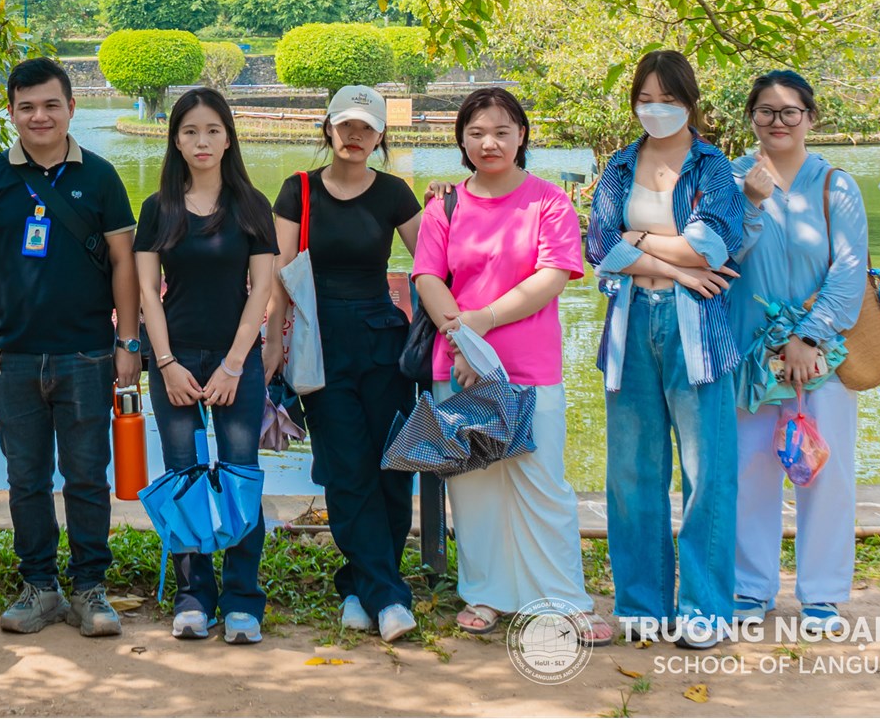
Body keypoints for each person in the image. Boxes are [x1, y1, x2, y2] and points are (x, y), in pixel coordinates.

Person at [411, 87, 612, 645]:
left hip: (528, 366)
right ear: (461, 141)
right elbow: (427, 276)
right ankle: (486, 593)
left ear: (522, 135)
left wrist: (483, 322)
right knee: (474, 486)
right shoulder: (444, 206)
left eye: (501, 130)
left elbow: (553, 275)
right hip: (458, 364)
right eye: (476, 132)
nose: (489, 142)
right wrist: (462, 340)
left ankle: (565, 599)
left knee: (541, 484)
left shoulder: (549, 201)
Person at [0, 57, 142, 637]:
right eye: (27, 106)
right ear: (10, 111)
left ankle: (90, 589)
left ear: (71, 108)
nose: (40, 116)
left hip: (87, 355)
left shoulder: (102, 176)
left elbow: (123, 264)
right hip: (11, 358)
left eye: (51, 105)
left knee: (87, 476)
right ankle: (39, 585)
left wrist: (127, 343)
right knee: (25, 479)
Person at [585, 50, 747, 648]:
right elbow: (599, 247)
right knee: (632, 470)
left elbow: (713, 245)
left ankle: (706, 608)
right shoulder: (619, 168)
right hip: (631, 327)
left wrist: (641, 240)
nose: (656, 109)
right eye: (646, 99)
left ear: (689, 102)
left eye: (668, 99)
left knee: (707, 472)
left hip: (697, 333)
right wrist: (673, 265)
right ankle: (641, 603)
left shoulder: (714, 168)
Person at [270, 85, 425, 643]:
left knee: (389, 468)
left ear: (382, 135)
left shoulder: (394, 193)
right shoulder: (298, 191)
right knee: (347, 469)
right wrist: (271, 345)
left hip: (383, 343)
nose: (355, 136)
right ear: (328, 128)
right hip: (319, 343)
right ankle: (389, 596)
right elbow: (280, 274)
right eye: (346, 125)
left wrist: (452, 210)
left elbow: (432, 262)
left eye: (368, 127)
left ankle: (360, 586)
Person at [135, 87, 279, 645]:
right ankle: (195, 596)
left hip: (234, 363)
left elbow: (261, 287)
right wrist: (165, 363)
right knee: (184, 477)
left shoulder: (251, 205)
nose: (202, 142)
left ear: (228, 137)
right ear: (176, 138)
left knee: (241, 475)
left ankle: (244, 598)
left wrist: (235, 364)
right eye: (191, 131)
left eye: (213, 131)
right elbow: (148, 292)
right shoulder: (158, 209)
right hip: (176, 360)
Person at [728, 71, 866, 634]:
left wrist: (809, 338)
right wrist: (752, 204)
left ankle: (823, 595)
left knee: (825, 472)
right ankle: (748, 588)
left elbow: (850, 270)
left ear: (810, 117)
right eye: (765, 111)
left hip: (819, 356)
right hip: (749, 354)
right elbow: (721, 257)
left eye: (790, 111)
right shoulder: (730, 179)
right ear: (752, 119)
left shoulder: (837, 185)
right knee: (749, 470)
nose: (778, 122)